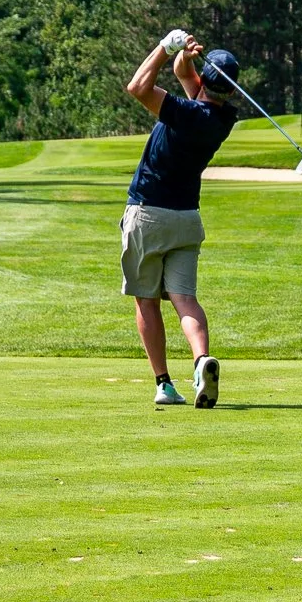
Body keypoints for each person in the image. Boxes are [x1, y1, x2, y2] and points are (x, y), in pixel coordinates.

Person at [120, 29, 241, 407]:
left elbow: (138, 88)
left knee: (146, 299)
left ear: (206, 81)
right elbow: (184, 75)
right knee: (184, 298)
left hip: (149, 212)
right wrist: (185, 56)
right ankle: (202, 360)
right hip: (187, 219)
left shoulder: (187, 112)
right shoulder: (221, 118)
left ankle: (164, 385)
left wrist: (162, 46)